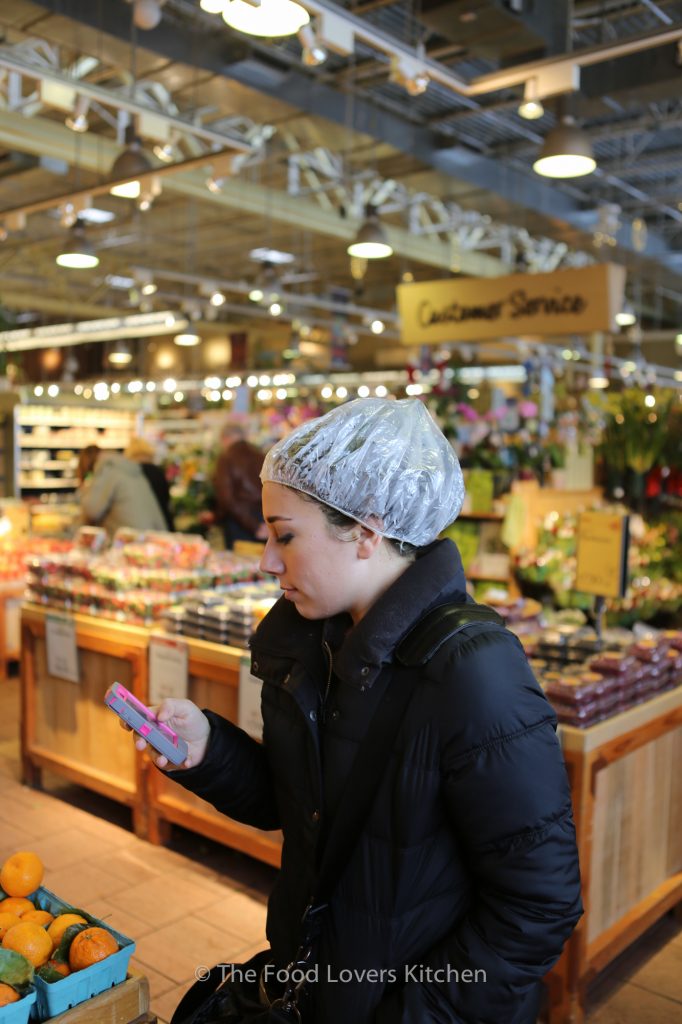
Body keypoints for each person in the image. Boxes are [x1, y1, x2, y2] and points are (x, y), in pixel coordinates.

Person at [136, 398, 583, 1024]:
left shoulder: (475, 674)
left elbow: (539, 904)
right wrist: (209, 748)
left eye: (284, 535)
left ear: (367, 532)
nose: (266, 559)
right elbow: (304, 809)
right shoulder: (312, 642)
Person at [77, 444, 167, 536]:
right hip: (152, 535)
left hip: (131, 539)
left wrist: (86, 490)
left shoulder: (107, 469)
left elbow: (91, 511)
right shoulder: (127, 468)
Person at [212, 421, 268, 548]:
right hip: (264, 519)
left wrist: (254, 526)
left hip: (239, 524)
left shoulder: (226, 459)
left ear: (225, 438)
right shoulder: (261, 455)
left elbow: (226, 498)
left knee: (240, 565)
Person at [124, 436, 175, 532]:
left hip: (143, 526)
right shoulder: (158, 472)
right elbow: (167, 499)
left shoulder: (133, 474)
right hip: (163, 522)